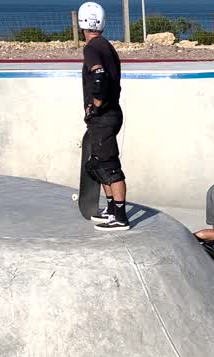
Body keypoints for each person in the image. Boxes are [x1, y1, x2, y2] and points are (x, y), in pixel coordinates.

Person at [78, 1, 129, 231]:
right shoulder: (107, 46)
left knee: (109, 167)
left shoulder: (91, 48)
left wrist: (95, 106)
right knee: (97, 164)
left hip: (104, 116)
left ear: (81, 24)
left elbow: (99, 77)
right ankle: (111, 209)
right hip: (112, 114)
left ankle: (120, 217)